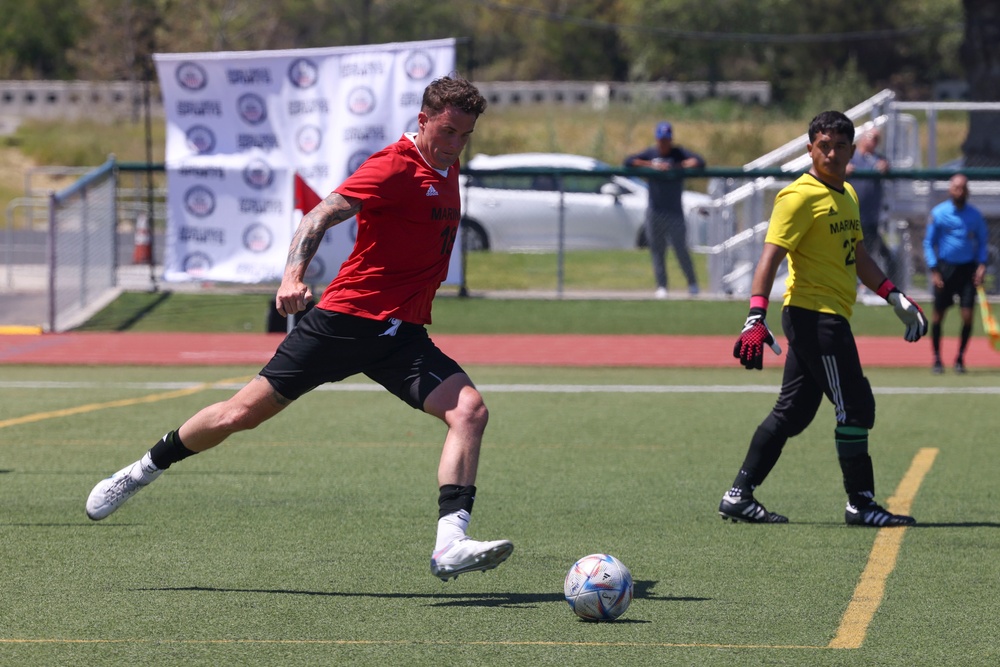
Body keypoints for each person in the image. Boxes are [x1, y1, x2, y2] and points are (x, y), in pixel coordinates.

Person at [85, 76, 514, 582]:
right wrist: (292, 275)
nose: (455, 144)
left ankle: (450, 544)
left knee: (470, 411)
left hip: (401, 335)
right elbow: (319, 216)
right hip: (345, 323)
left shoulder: (448, 163)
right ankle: (143, 469)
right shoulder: (393, 165)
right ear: (423, 121)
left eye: (465, 135)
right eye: (447, 131)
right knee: (238, 415)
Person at [723, 110, 928, 527]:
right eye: (823, 146)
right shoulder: (798, 197)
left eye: (839, 146)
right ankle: (861, 503)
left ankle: (738, 495)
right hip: (815, 317)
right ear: (809, 148)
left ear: (853, 149)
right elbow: (769, 258)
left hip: (825, 316)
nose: (832, 154)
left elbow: (860, 257)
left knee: (793, 413)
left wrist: (894, 295)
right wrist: (755, 315)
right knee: (854, 407)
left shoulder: (847, 193)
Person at [624, 121, 705, 299]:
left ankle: (692, 284)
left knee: (680, 249)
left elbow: (699, 161)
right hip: (655, 211)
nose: (664, 144)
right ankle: (662, 286)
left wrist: (678, 166)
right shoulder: (651, 154)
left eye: (666, 140)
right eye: (661, 140)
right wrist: (652, 165)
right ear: (657, 139)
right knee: (657, 250)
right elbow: (629, 161)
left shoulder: (678, 153)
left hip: (674, 211)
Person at [923, 173, 989, 374]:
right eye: (956, 187)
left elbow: (982, 242)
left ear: (967, 191)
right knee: (938, 315)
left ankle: (960, 358)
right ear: (950, 190)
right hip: (945, 269)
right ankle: (936, 359)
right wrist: (934, 270)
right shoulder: (940, 213)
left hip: (967, 269)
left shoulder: (975, 215)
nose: (960, 191)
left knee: (968, 315)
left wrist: (982, 265)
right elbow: (928, 243)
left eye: (963, 188)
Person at [846, 127, 895, 280]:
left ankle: (884, 285)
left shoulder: (878, 159)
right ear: (862, 138)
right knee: (849, 253)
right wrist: (842, 169)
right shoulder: (849, 156)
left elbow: (889, 172)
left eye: (877, 139)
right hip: (848, 216)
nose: (875, 142)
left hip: (870, 218)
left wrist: (886, 167)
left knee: (875, 253)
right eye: (872, 137)